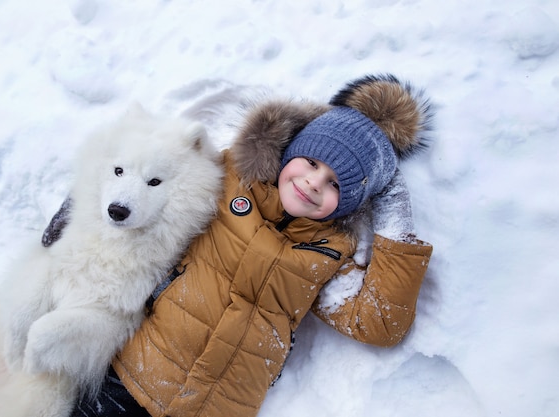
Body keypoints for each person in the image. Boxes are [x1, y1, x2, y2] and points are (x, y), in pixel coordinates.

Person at [43, 74, 434, 417]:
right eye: (312, 163)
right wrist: (85, 209)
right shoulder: (229, 177)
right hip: (134, 377)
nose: (315, 183)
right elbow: (148, 172)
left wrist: (393, 210)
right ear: (292, 149)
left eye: (337, 183)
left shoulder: (331, 253)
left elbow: (381, 323)